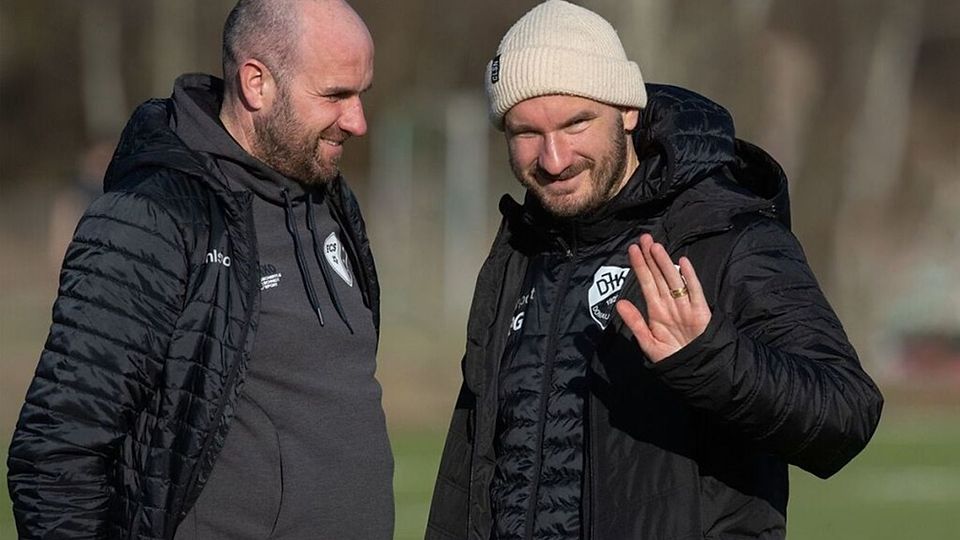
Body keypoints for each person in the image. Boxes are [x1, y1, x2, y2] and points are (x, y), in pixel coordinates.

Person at [426, 2, 883, 539]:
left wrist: (710, 357)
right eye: (526, 133)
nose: (553, 158)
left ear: (627, 111)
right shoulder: (518, 255)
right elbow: (471, 467)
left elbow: (847, 415)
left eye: (576, 123)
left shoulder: (724, 235)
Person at [7, 1, 394, 538]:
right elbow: (56, 451)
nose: (358, 121)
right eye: (335, 96)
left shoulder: (331, 202)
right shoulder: (154, 217)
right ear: (256, 84)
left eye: (361, 95)